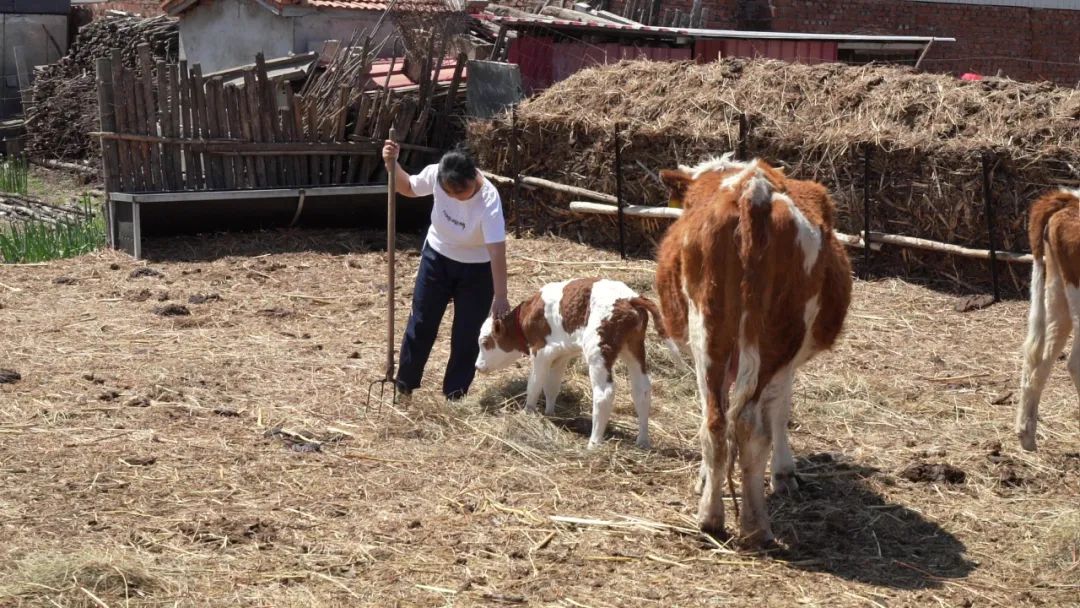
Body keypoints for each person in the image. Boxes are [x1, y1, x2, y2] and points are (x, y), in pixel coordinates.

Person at [382, 140, 511, 401]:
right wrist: (391, 164)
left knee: (466, 333)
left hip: (477, 270)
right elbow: (406, 187)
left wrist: (500, 295)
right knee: (421, 322)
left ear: (472, 180)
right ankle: (404, 386)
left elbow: (497, 251)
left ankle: (455, 395)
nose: (451, 197)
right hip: (437, 258)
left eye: (457, 193)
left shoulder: (489, 200)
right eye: (447, 192)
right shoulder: (438, 173)